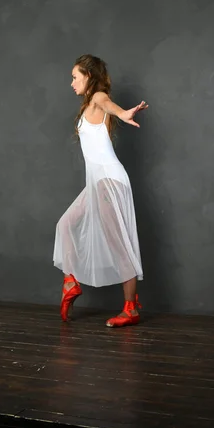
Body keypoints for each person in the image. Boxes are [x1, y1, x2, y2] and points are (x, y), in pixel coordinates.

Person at [53, 54, 148, 327]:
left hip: (109, 182)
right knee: (65, 224)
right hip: (98, 184)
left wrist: (123, 112)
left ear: (89, 76)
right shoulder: (88, 106)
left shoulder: (98, 97)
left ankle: (130, 308)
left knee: (119, 244)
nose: (71, 83)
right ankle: (71, 282)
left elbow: (107, 103)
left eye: (75, 76)